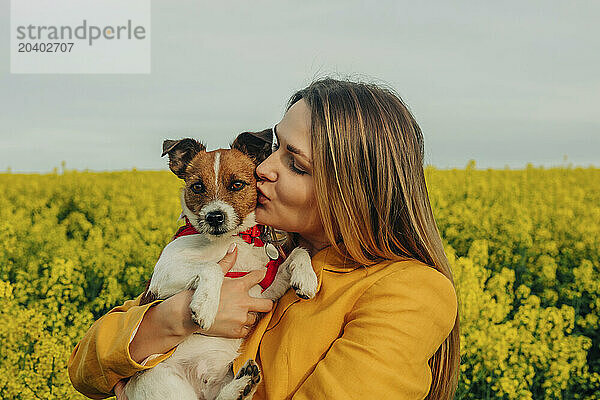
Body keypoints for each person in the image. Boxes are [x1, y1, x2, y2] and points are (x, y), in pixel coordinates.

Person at [68, 78, 460, 400]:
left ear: (350, 188)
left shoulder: (410, 291)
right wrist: (172, 318)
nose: (265, 168)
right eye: (275, 148)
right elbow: (85, 368)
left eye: (295, 163)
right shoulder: (255, 250)